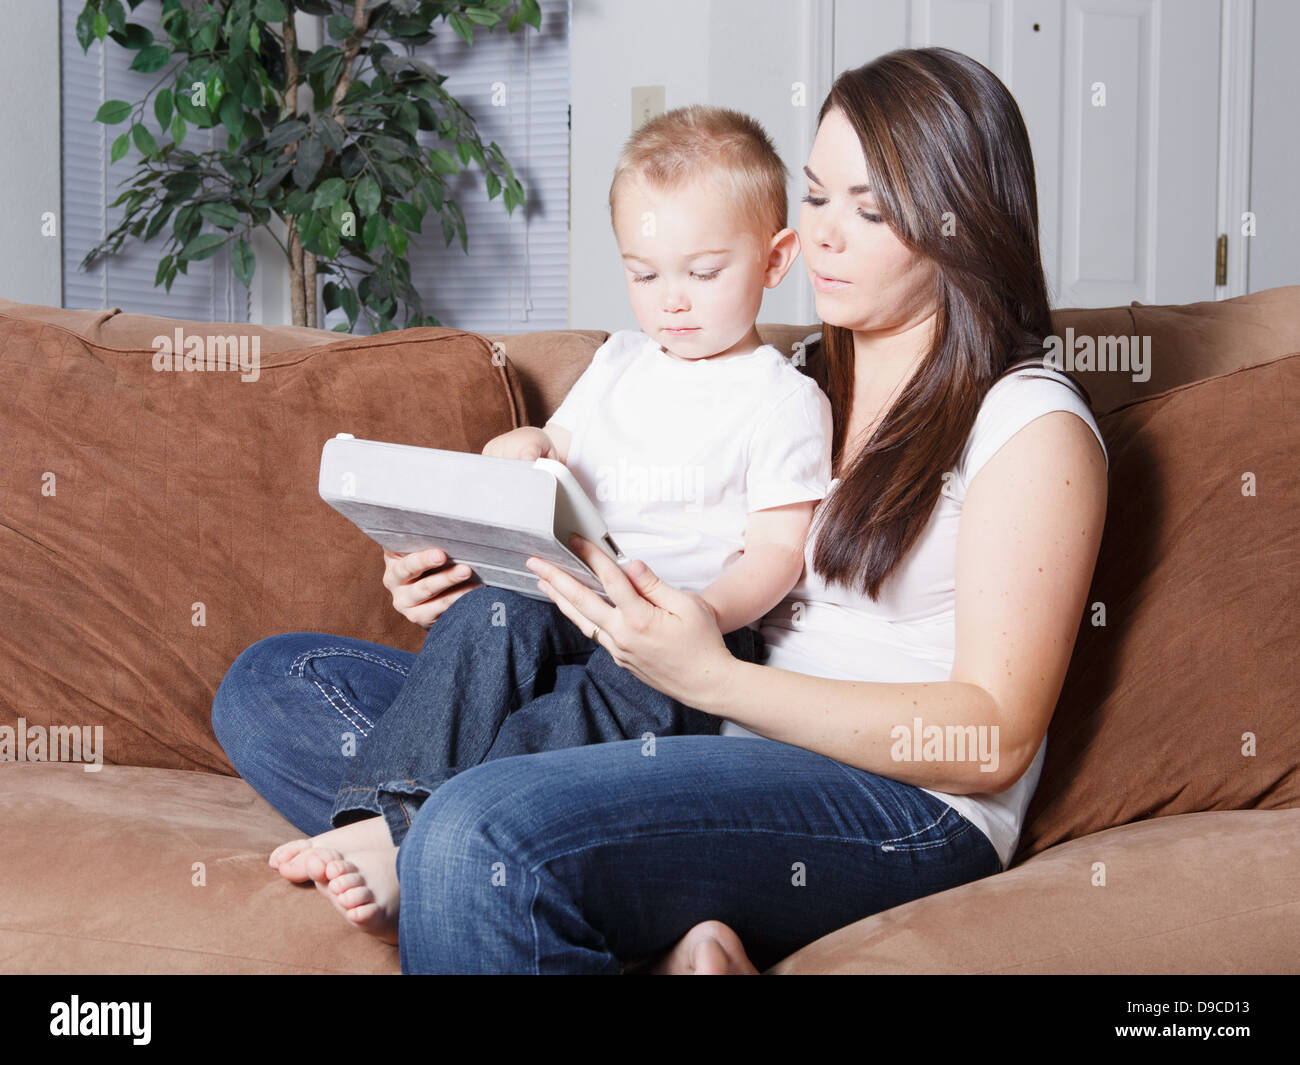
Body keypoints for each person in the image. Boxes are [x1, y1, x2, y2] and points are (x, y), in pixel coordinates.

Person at [213, 47, 1108, 974]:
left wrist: (712, 676)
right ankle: (636, 911)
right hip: (688, 725)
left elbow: (993, 734)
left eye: (871, 209)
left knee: (473, 838)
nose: (828, 235)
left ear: (966, 221)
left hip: (893, 800)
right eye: (816, 195)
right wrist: (474, 562)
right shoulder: (781, 383)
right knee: (278, 683)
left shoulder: (1029, 423)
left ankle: (429, 838)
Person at [257, 106, 833, 928]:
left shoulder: (781, 399)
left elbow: (780, 549)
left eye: (702, 273)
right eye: (644, 273)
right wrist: (518, 446)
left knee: (602, 702)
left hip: (678, 635)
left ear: (775, 259)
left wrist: (701, 618)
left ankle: (415, 838)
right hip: (561, 593)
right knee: (486, 617)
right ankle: (380, 821)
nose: (671, 301)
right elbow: (554, 448)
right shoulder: (620, 362)